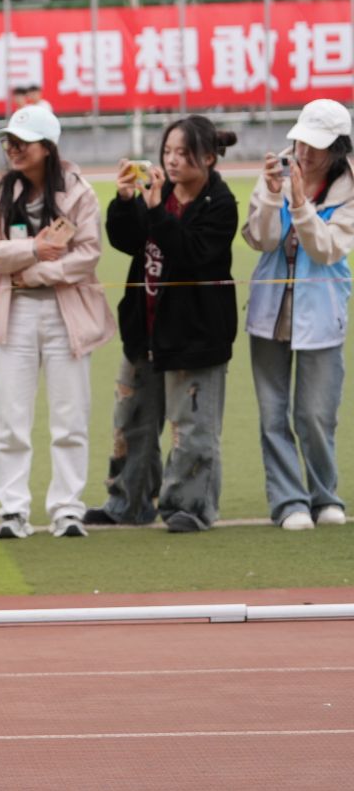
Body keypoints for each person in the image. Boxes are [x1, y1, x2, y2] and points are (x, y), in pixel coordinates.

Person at [0, 102, 112, 540]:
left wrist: (36, 272)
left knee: (70, 417)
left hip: (66, 312)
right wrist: (32, 249)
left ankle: (67, 509)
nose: (13, 149)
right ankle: (12, 509)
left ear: (48, 147)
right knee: (11, 419)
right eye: (9, 142)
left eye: (23, 142)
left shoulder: (78, 192)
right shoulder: (1, 192)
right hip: (15, 312)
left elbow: (88, 254)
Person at [97, 115, 240, 534]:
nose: (172, 161)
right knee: (131, 419)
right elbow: (126, 241)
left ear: (209, 158)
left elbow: (190, 253)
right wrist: (126, 201)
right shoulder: (159, 195)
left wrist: (157, 209)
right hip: (144, 327)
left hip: (195, 334)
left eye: (183, 153)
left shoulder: (220, 204)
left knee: (191, 426)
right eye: (167, 152)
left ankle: (190, 507)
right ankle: (128, 503)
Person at [244, 100, 354, 531]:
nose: (304, 152)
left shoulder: (348, 190)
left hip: (322, 314)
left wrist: (301, 205)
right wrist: (274, 195)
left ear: (339, 148)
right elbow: (263, 241)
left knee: (315, 414)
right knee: (273, 413)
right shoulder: (276, 172)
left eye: (316, 145)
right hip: (269, 312)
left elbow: (326, 249)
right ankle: (289, 502)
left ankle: (325, 496)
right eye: (301, 141)